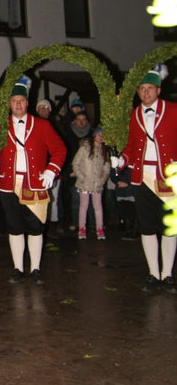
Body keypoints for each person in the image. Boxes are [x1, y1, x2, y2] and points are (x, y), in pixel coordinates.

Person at [0, 76, 67, 283]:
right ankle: (17, 268)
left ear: (27, 102)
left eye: (21, 101)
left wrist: (51, 171)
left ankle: (35, 268)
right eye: (14, 101)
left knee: (35, 227)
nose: (18, 104)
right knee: (14, 227)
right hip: (8, 184)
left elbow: (59, 149)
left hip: (34, 183)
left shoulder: (42, 125)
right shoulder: (0, 125)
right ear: (9, 103)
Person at [117, 64, 177, 292]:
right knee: (147, 227)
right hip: (142, 178)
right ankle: (153, 273)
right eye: (142, 88)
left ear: (159, 90)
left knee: (169, 227)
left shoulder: (173, 110)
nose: (145, 92)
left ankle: (167, 274)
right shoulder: (134, 114)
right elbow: (132, 145)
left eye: (150, 88)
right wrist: (122, 159)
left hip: (169, 177)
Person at [71, 127, 110, 240]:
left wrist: (102, 180)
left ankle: (99, 228)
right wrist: (82, 177)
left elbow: (106, 168)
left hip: (97, 183)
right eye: (99, 135)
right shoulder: (85, 148)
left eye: (103, 135)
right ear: (94, 136)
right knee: (83, 206)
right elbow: (75, 163)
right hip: (84, 183)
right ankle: (82, 228)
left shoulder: (104, 150)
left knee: (98, 206)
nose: (101, 137)